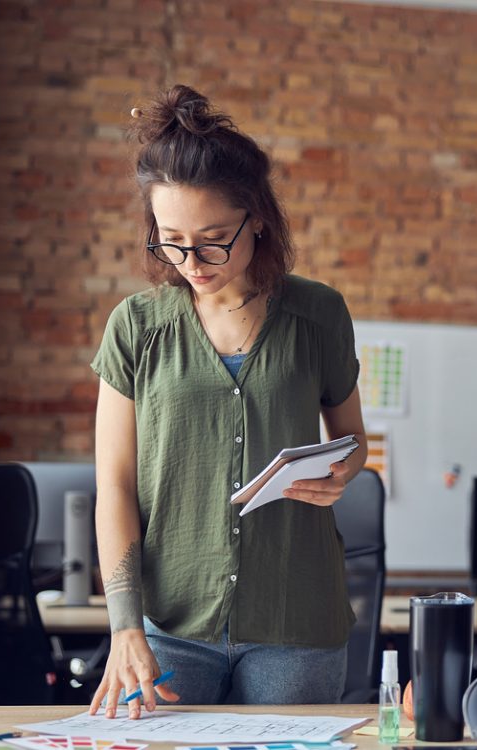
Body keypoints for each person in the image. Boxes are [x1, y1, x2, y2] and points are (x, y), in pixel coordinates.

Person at [87, 84, 368, 719]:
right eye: (172, 240)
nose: (193, 261)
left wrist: (339, 472)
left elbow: (353, 441)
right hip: (168, 629)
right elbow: (115, 486)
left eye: (214, 238)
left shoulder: (319, 313)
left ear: (258, 218)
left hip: (297, 624)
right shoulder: (135, 326)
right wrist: (124, 624)